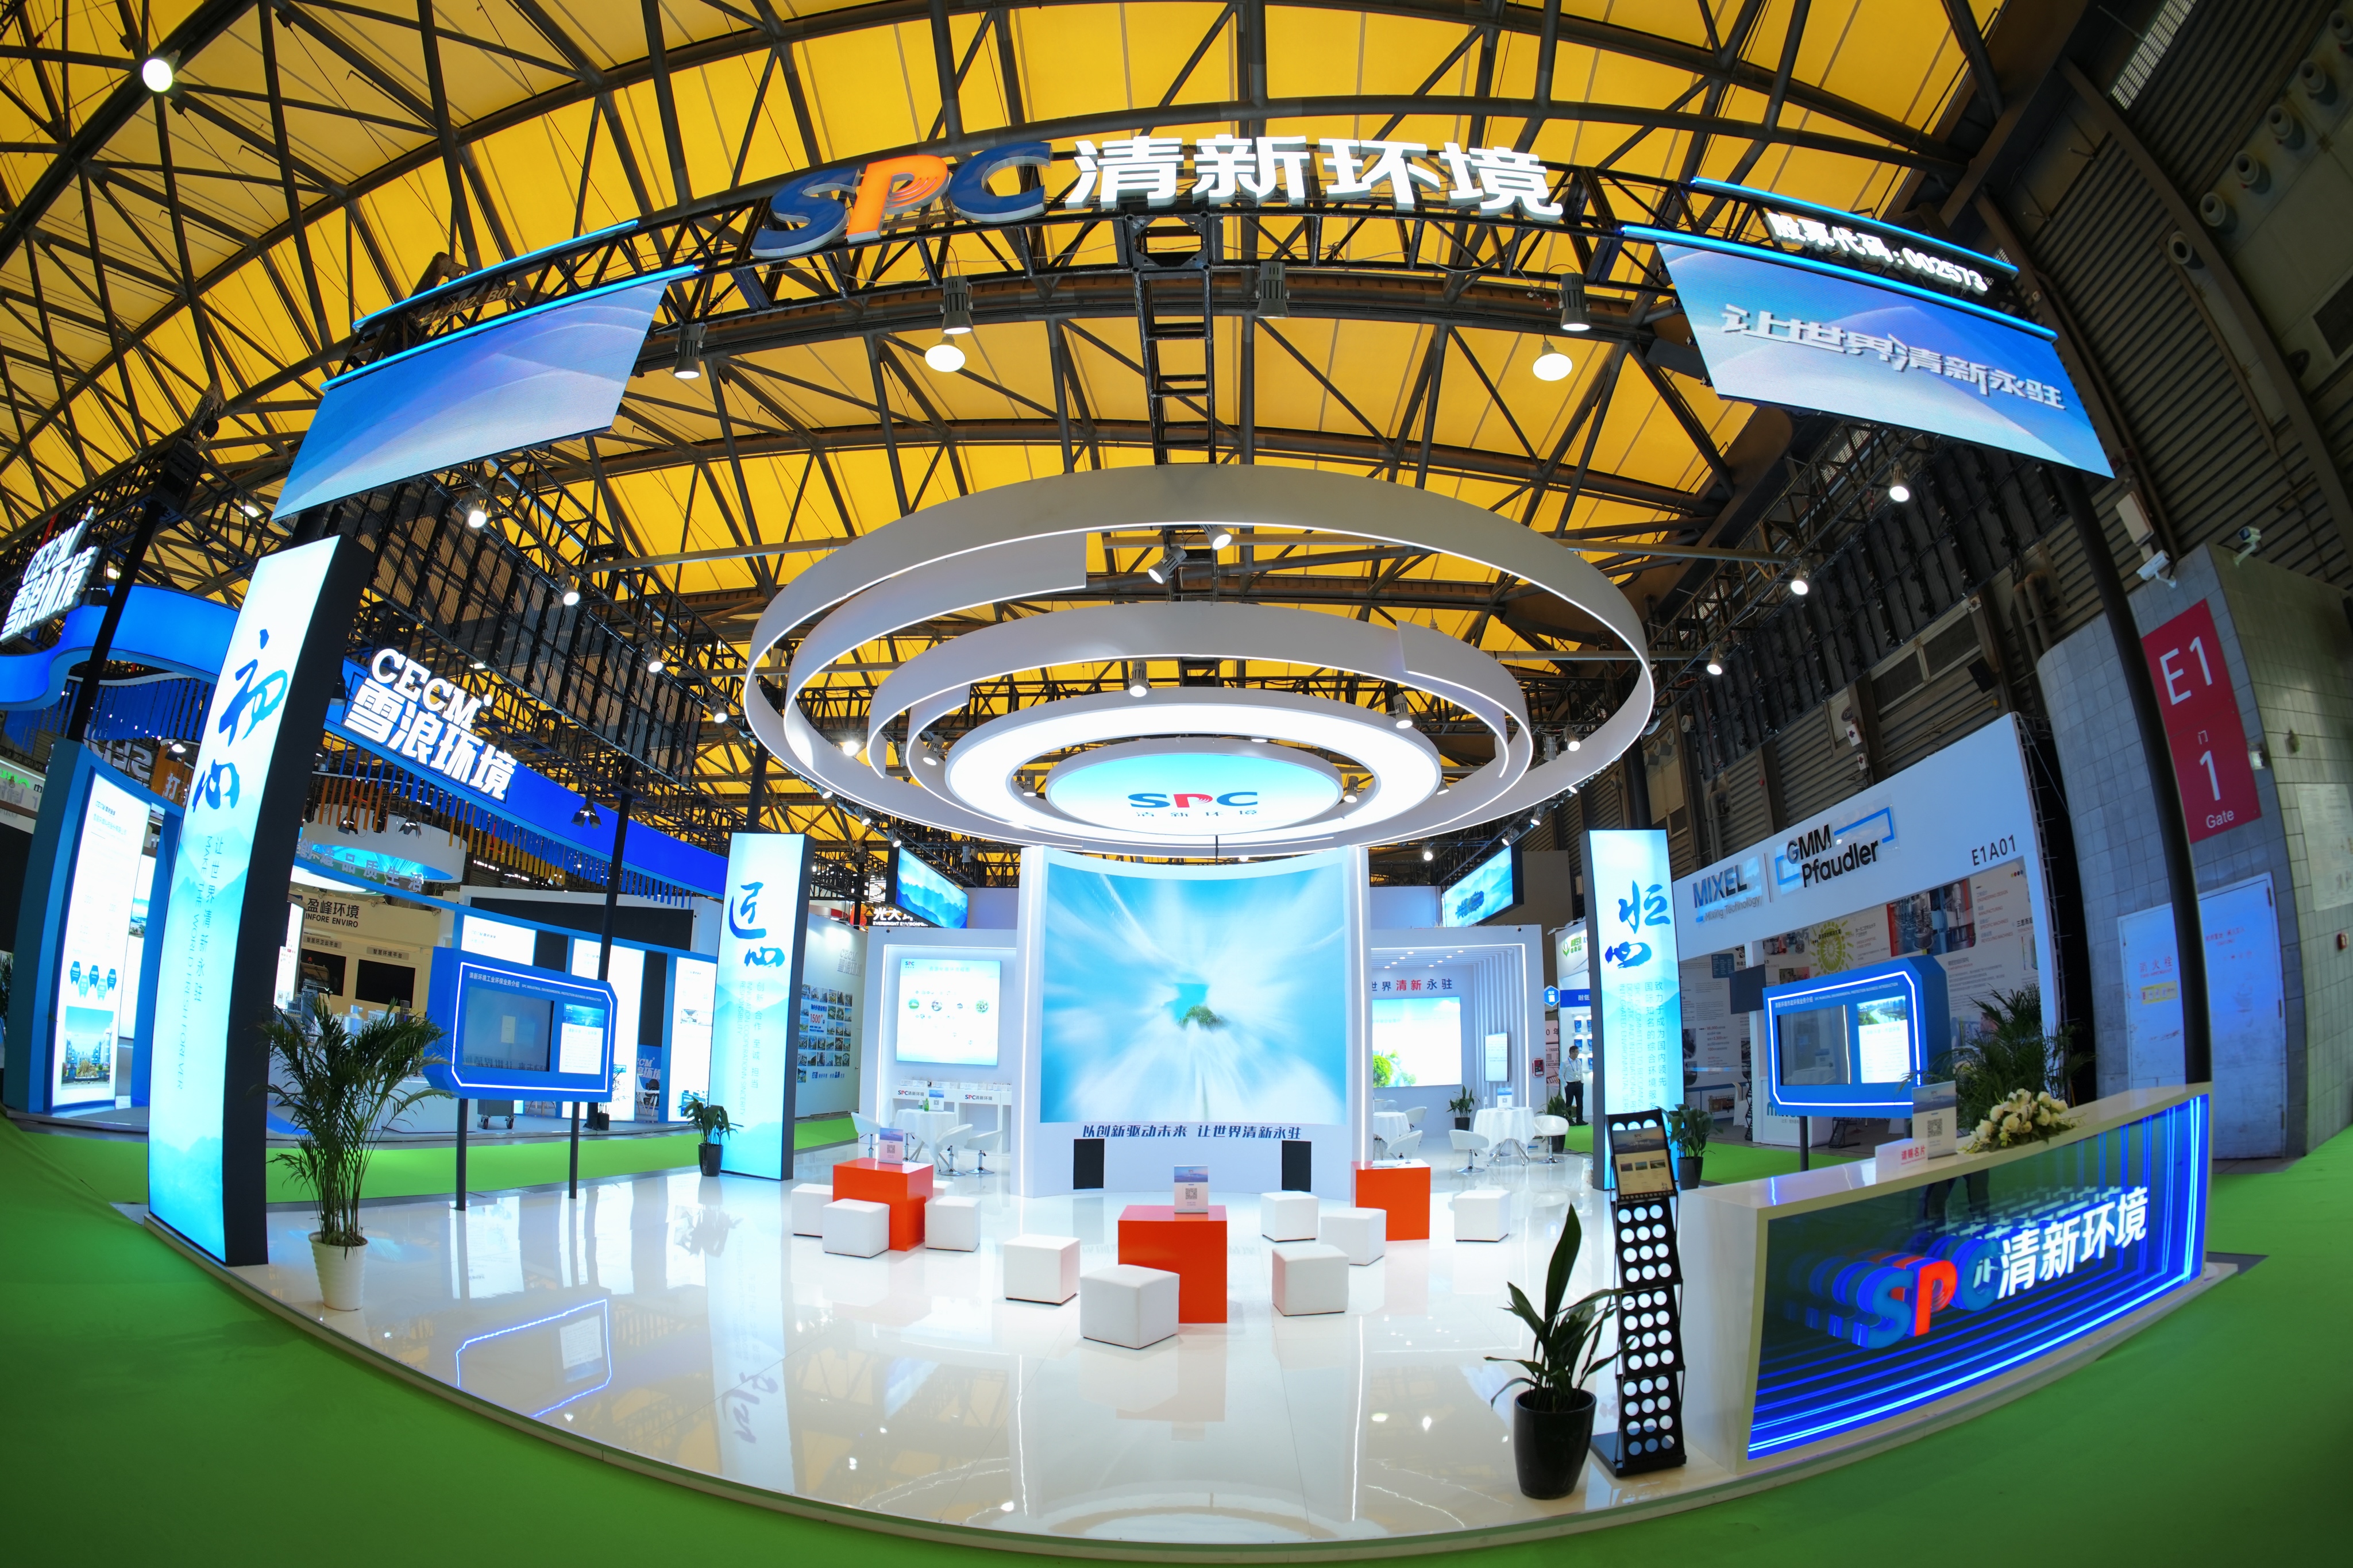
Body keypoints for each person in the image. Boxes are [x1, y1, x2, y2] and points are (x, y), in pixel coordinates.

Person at [1561, 1043, 1586, 1125]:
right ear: (1572, 1053)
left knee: (1580, 1103)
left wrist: (1582, 1082)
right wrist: (1565, 1085)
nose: (1578, 1053)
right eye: (1576, 1052)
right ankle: (1569, 1120)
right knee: (1569, 1103)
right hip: (1570, 1085)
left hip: (1579, 1084)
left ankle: (1580, 1120)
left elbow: (1581, 1072)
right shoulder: (1565, 1063)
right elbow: (1561, 1075)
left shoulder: (1578, 1062)